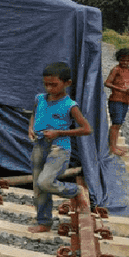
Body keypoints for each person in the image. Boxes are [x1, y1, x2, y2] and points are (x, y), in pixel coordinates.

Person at [28, 62, 92, 233]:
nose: (49, 88)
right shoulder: (39, 98)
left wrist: (59, 133)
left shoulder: (69, 105)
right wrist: (31, 128)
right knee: (38, 187)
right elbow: (34, 114)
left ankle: (75, 191)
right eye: (46, 84)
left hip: (59, 148)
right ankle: (44, 222)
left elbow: (86, 129)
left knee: (45, 182)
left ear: (67, 83)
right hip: (39, 146)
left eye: (54, 84)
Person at [104, 47, 129, 156]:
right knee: (116, 124)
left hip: (125, 100)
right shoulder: (116, 69)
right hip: (116, 100)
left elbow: (125, 84)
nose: (125, 62)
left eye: (128, 60)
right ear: (118, 59)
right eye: (123, 60)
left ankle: (114, 145)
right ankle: (112, 147)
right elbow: (107, 83)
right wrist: (121, 90)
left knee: (119, 124)